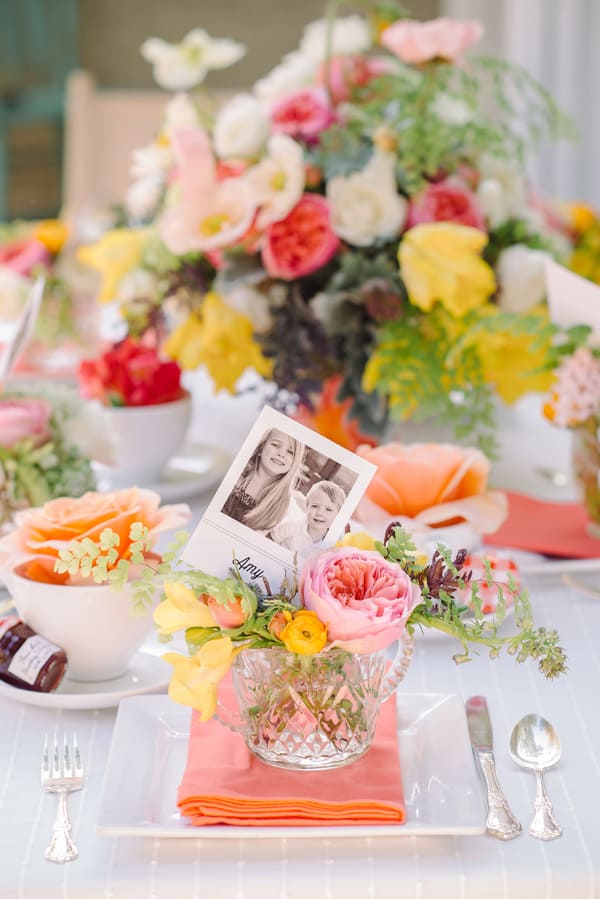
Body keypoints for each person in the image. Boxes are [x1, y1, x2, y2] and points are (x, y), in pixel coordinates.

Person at [221, 428, 305, 532]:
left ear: (295, 462)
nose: (281, 454)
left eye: (290, 452)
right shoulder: (236, 473)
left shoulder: (281, 505)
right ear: (261, 448)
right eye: (275, 445)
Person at [269, 480, 346, 553]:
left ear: (337, 515)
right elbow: (271, 537)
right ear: (307, 506)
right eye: (315, 506)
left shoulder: (332, 541)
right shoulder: (293, 525)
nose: (320, 513)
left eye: (328, 509)